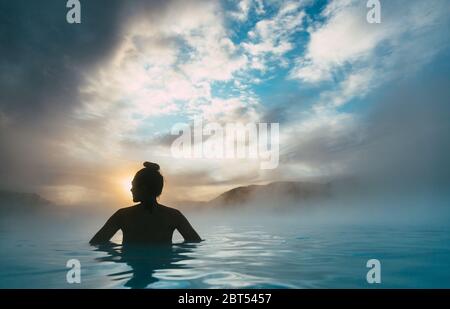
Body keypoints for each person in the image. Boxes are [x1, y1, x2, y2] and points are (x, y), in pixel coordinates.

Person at [90, 162, 202, 245]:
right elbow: (195, 243)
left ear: (143, 188)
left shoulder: (122, 215)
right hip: (163, 266)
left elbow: (96, 243)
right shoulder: (174, 215)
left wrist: (116, 255)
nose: (131, 190)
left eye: (133, 185)